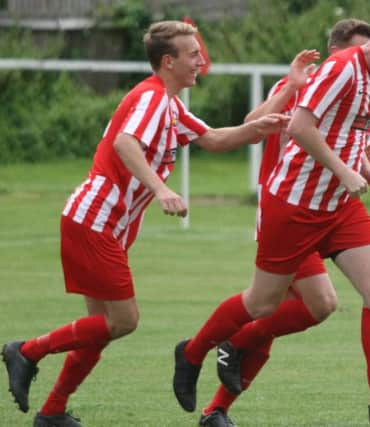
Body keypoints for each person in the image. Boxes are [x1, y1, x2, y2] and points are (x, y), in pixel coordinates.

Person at [1, 20, 287, 427]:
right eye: (192, 55)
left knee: (101, 328)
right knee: (124, 321)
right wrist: (162, 189)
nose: (200, 60)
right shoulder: (152, 99)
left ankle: (52, 412)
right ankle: (27, 351)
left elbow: (212, 138)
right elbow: (124, 143)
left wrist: (254, 129)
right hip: (97, 220)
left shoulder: (170, 105)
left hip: (104, 224)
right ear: (168, 61)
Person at [172, 3, 370, 426]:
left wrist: (368, 172)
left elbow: (351, 135)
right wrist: (345, 171)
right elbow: (298, 127)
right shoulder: (339, 70)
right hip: (294, 203)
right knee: (262, 303)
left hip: (337, 205)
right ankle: (192, 352)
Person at [194, 19, 370, 427]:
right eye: (357, 51)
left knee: (289, 311)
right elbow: (252, 122)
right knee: (304, 305)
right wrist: (295, 86)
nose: (365, 60)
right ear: (335, 53)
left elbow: (350, 147)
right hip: (287, 210)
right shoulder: (305, 85)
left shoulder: (360, 94)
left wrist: (366, 164)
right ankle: (223, 365)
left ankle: (218, 404)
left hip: (325, 212)